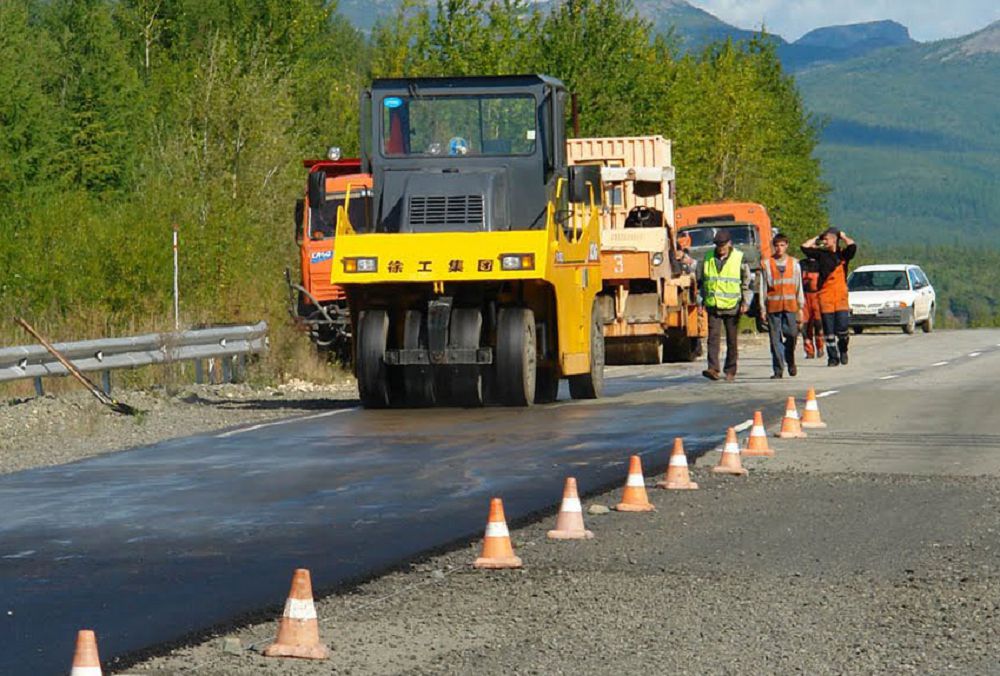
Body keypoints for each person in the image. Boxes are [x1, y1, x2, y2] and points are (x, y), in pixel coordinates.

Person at [699, 230, 752, 381]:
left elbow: (747, 282)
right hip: (713, 304)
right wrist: (701, 301)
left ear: (729, 243)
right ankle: (713, 369)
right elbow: (702, 281)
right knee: (713, 338)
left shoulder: (739, 258)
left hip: (732, 305)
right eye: (718, 245)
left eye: (723, 245)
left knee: (731, 340)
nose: (720, 248)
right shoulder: (708, 257)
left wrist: (746, 302)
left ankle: (730, 370)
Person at [801, 227, 857, 366]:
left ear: (834, 240)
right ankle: (832, 358)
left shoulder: (843, 255)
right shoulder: (821, 254)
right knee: (828, 330)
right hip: (825, 296)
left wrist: (843, 236)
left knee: (842, 328)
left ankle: (843, 350)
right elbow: (804, 247)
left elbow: (852, 246)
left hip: (840, 296)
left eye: (826, 239)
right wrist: (818, 236)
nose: (824, 242)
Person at [759, 234, 805, 379]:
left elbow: (798, 286)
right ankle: (778, 369)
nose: (779, 248)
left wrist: (801, 307)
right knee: (775, 340)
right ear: (774, 246)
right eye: (777, 245)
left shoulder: (794, 264)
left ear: (787, 246)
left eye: (782, 245)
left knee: (792, 334)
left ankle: (789, 358)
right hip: (773, 307)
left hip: (790, 306)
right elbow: (763, 288)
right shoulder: (767, 264)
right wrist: (762, 308)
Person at [800, 257, 825, 359]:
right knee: (805, 326)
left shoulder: (821, 263)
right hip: (804, 297)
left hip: (817, 297)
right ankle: (809, 351)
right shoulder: (801, 264)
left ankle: (820, 347)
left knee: (819, 325)